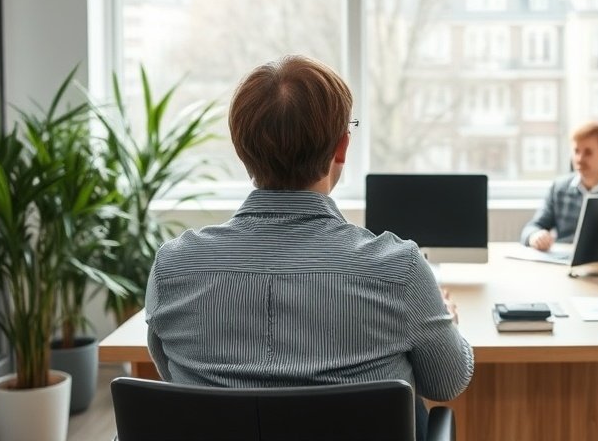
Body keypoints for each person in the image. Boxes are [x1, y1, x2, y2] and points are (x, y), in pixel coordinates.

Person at [145, 55, 474, 440]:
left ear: (240, 148)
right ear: (341, 148)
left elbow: (173, 376)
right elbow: (447, 382)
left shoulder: (172, 267)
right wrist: (444, 319)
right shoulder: (399, 269)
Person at [520, 121, 598, 250]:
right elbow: (531, 227)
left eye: (588, 152)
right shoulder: (559, 188)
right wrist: (535, 235)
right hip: (562, 259)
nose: (579, 159)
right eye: (576, 151)